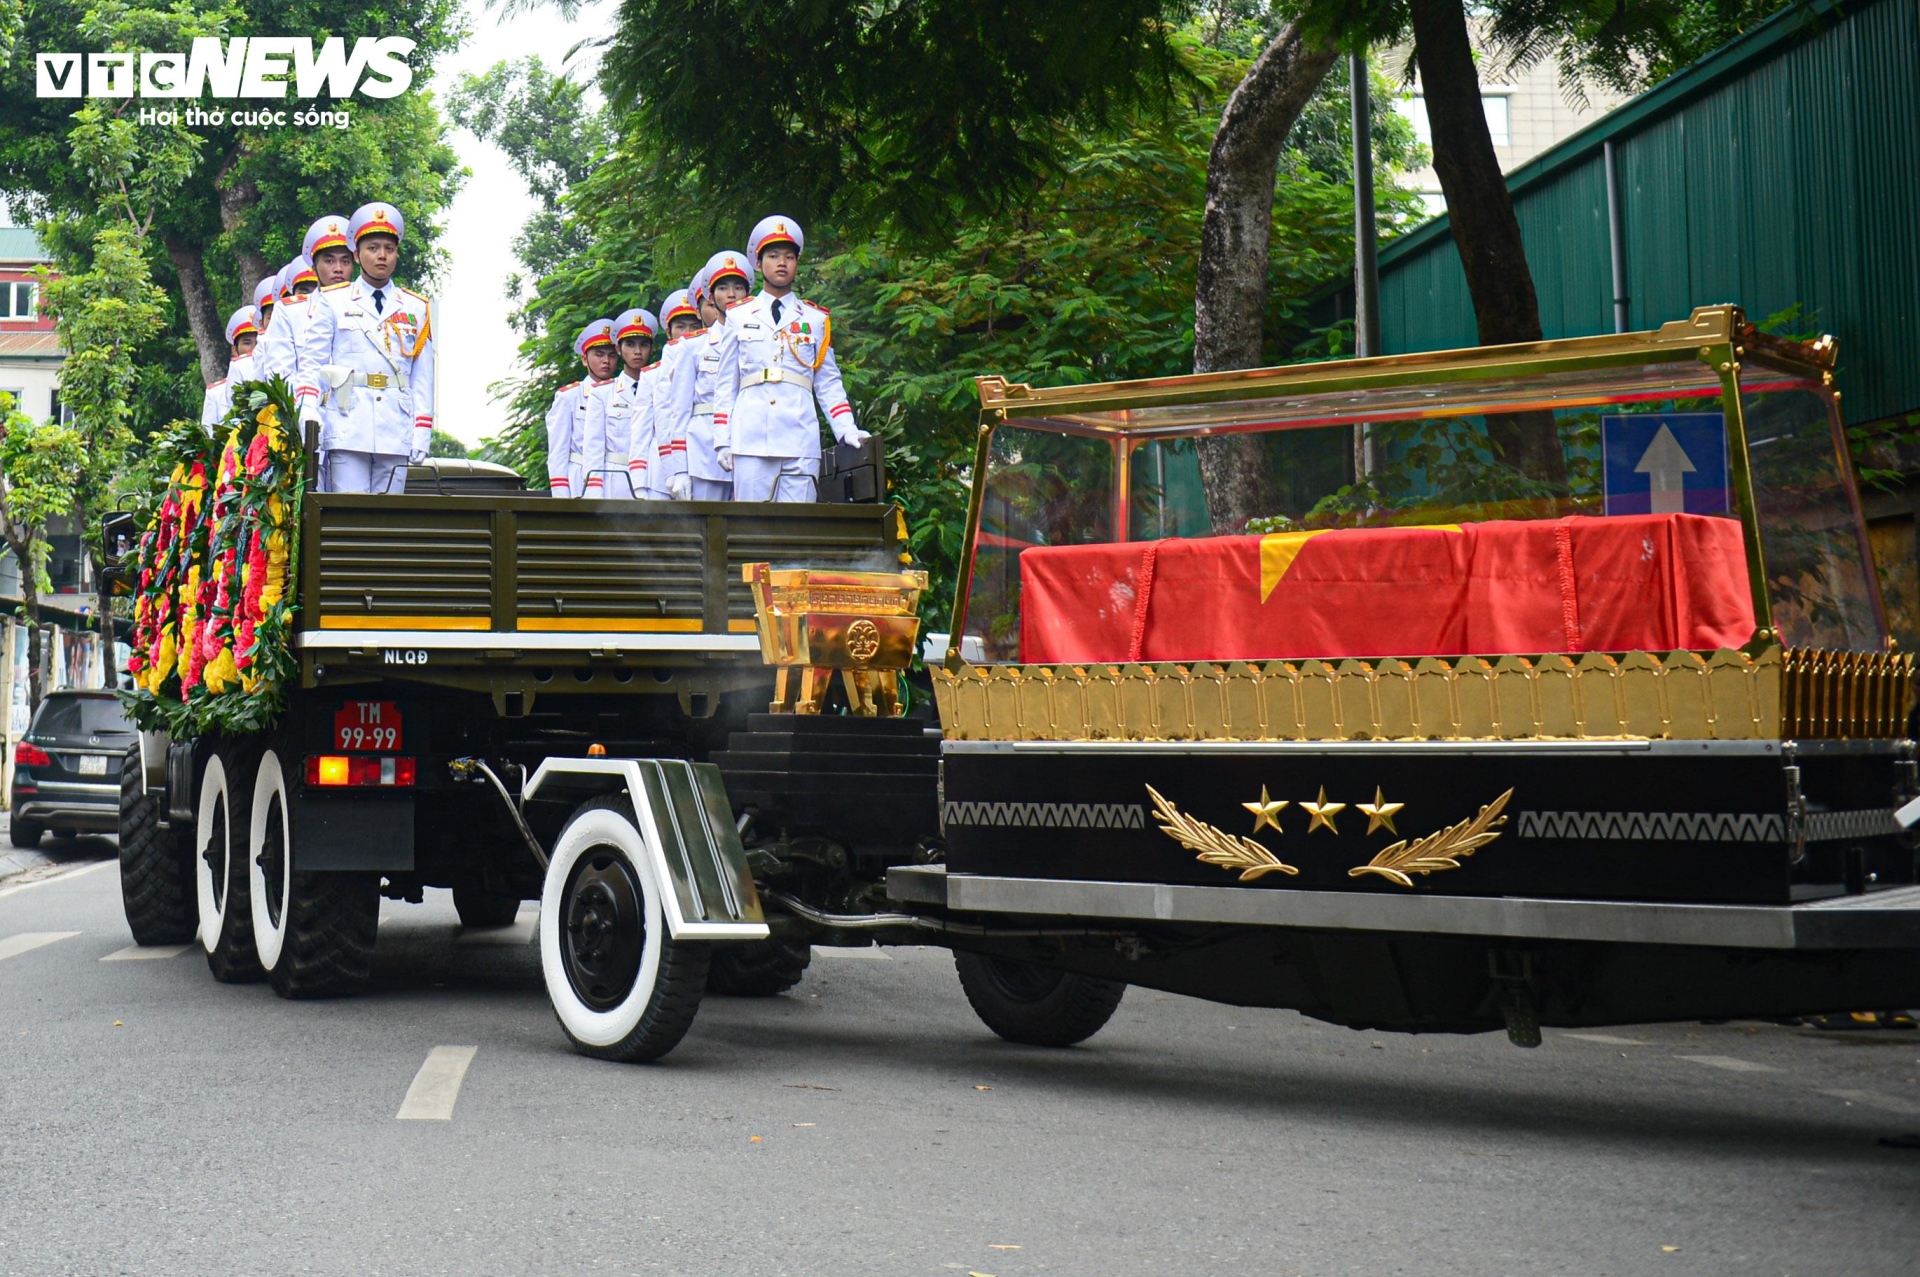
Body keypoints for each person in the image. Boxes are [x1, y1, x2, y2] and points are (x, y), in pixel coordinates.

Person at [710, 216, 867, 503]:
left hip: (799, 439)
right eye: (773, 256)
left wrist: (846, 428)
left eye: (789, 257)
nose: (782, 263)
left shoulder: (815, 319)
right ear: (758, 264)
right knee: (751, 532)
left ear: (796, 264)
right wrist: (722, 440)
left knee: (798, 530)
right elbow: (725, 384)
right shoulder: (739, 315)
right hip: (751, 441)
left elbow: (828, 382)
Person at [299, 202, 436, 495]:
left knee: (387, 523)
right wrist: (308, 411)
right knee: (349, 516)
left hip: (395, 426)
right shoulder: (333, 300)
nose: (382, 256)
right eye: (373, 248)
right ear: (357, 255)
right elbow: (313, 364)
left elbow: (422, 377)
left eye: (389, 248)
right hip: (348, 424)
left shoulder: (416, 307)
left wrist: (422, 429)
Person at [680, 249, 755, 500]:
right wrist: (678, 469)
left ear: (748, 294)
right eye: (723, 288)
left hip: (752, 445)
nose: (731, 294)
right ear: (711, 297)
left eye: (738, 288)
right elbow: (677, 412)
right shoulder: (692, 347)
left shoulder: (759, 337)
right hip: (705, 452)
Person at [273, 216, 356, 428]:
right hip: (304, 423)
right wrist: (305, 411)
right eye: (329, 261)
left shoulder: (368, 311)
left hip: (353, 423)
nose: (338, 268)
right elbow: (281, 373)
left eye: (345, 261)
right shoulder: (289, 312)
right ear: (313, 267)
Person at [582, 308, 657, 499]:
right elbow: (594, 447)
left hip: (654, 479)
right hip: (616, 481)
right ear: (618, 348)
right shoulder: (603, 394)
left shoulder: (662, 389)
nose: (637, 352)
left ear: (652, 348)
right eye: (630, 344)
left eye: (643, 345)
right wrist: (593, 493)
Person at [546, 319, 618, 498]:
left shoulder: (622, 393)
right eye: (599, 354)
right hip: (579, 480)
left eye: (611, 355)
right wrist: (561, 497)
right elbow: (558, 452)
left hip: (616, 477)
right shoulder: (569, 397)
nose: (606, 361)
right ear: (585, 359)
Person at [648, 289, 700, 499]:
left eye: (694, 326)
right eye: (680, 327)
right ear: (668, 332)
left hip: (702, 453)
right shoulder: (658, 370)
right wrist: (672, 468)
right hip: (668, 461)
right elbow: (663, 414)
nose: (687, 332)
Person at [200, 305, 258, 429]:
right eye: (247, 343)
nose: (254, 349)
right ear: (235, 350)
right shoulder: (215, 394)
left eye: (258, 343)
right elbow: (209, 438)